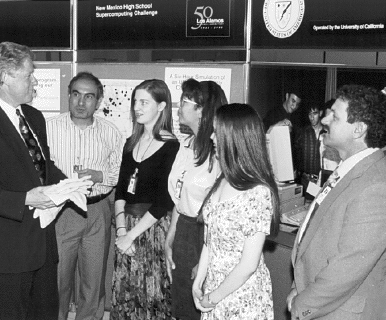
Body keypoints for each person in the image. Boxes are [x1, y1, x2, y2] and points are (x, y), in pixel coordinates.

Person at [0, 41, 91, 320]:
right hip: (7, 252)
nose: (34, 80)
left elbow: (41, 167)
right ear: (5, 77)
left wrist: (69, 184)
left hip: (41, 245)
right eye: (29, 74)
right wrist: (25, 199)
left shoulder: (33, 117)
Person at [288, 85, 386, 320]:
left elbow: (348, 267)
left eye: (335, 115)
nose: (324, 119)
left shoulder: (376, 185)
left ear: (359, 129)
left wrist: (303, 304)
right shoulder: (350, 166)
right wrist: (300, 286)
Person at [46, 72, 123, 320]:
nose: (81, 102)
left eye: (89, 97)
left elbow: (119, 170)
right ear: (68, 96)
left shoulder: (110, 132)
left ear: (98, 101)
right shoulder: (49, 128)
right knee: (59, 279)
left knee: (94, 280)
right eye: (76, 95)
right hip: (61, 211)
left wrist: (100, 177)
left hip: (97, 211)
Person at [192, 103, 279, 319]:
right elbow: (209, 241)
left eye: (216, 132)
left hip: (241, 297)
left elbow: (248, 265)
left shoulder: (258, 192)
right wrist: (198, 282)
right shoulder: (223, 179)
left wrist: (213, 297)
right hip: (215, 290)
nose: (212, 138)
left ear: (234, 139)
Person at [111, 79, 179, 319]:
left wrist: (131, 235)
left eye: (144, 102)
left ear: (161, 106)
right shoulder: (131, 143)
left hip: (151, 230)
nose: (136, 107)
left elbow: (164, 200)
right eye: (135, 102)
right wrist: (121, 232)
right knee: (126, 294)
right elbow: (120, 190)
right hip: (125, 230)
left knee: (152, 296)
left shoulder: (172, 147)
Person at [165, 79, 227, 320]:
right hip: (183, 230)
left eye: (184, 103)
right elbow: (180, 198)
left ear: (201, 109)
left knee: (197, 305)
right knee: (181, 304)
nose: (178, 108)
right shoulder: (187, 145)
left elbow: (220, 212)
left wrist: (204, 257)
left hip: (204, 235)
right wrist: (170, 238)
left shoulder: (219, 153)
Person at [293, 103, 325, 198]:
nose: (311, 117)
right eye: (309, 114)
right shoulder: (303, 132)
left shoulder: (327, 132)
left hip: (323, 180)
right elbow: (295, 152)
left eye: (314, 113)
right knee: (307, 207)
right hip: (306, 180)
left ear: (320, 113)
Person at [319, 99, 341, 185]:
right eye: (326, 116)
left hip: (335, 177)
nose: (326, 121)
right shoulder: (321, 136)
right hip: (322, 176)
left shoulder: (340, 139)